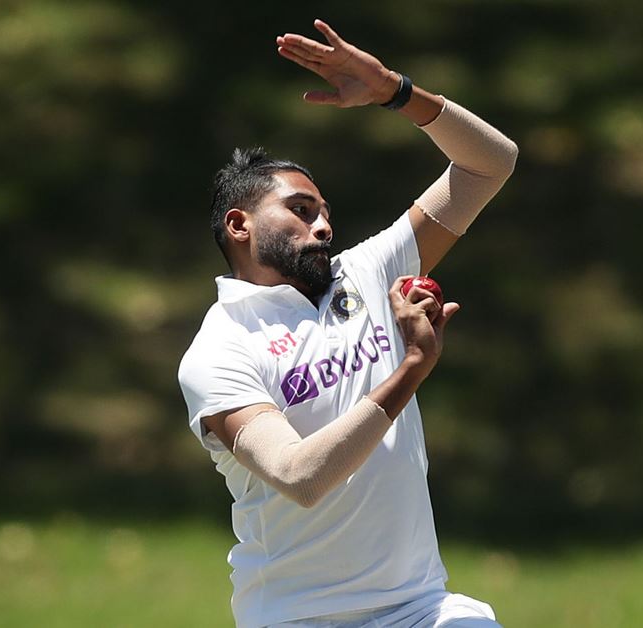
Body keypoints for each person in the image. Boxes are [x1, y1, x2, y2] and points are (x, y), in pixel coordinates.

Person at [178, 19, 518, 628]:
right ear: (239, 225)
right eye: (302, 211)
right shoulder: (219, 349)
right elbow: (300, 476)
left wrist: (397, 93)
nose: (325, 228)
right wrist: (411, 370)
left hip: (420, 606)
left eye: (326, 213)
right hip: (297, 617)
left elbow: (490, 164)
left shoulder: (366, 273)